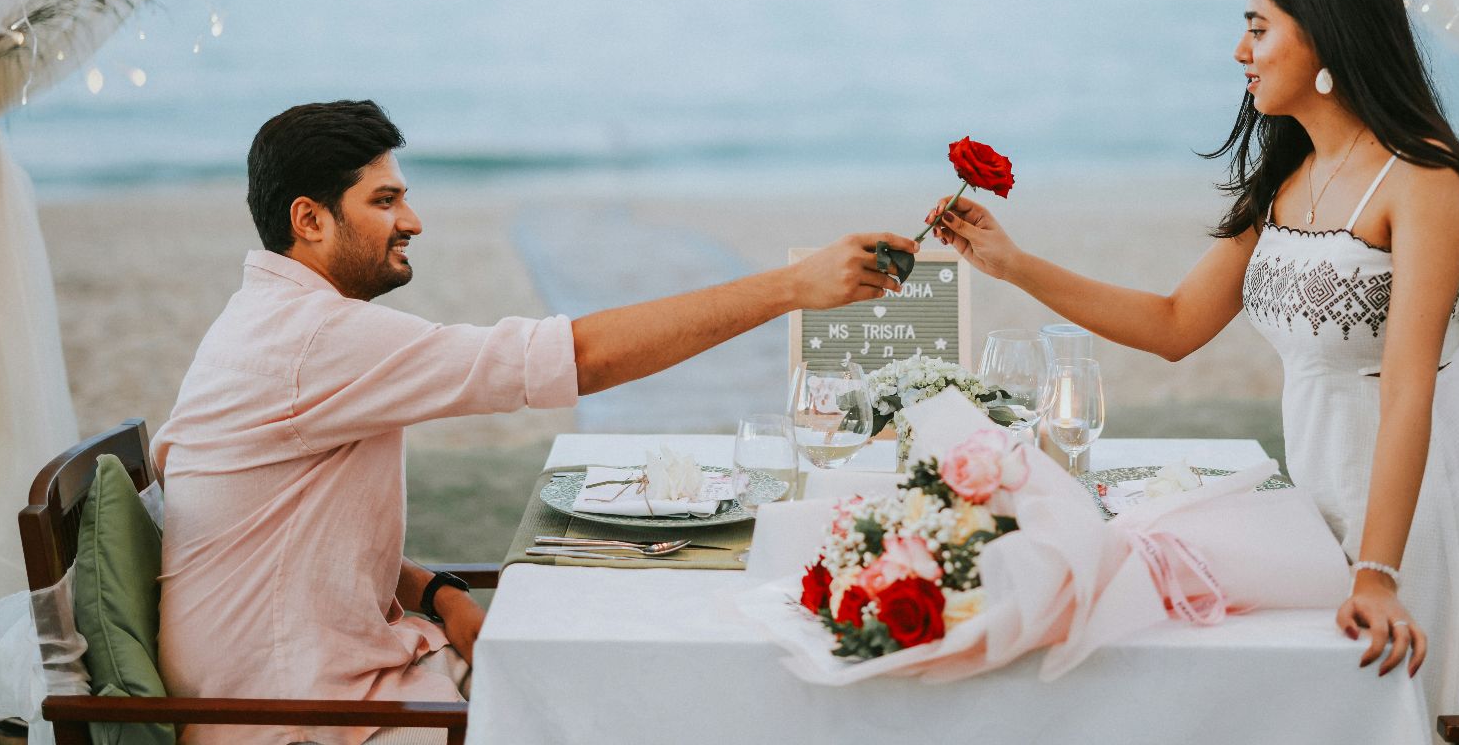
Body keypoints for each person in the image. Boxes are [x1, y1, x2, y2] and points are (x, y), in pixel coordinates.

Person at [153, 99, 917, 745]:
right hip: (302, 720)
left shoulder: (274, 324)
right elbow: (576, 356)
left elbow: (289, 537)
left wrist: (436, 593)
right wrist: (791, 287)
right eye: (383, 201)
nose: (412, 220)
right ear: (309, 220)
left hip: (354, 675)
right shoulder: (312, 340)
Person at [927, 0, 1459, 718]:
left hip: (1417, 493)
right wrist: (1015, 265)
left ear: (1328, 33)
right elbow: (1175, 325)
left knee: (1398, 712)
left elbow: (1407, 389)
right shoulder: (1289, 175)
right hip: (1320, 479)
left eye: (1259, 27)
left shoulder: (1423, 179)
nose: (1241, 50)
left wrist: (1379, 570)